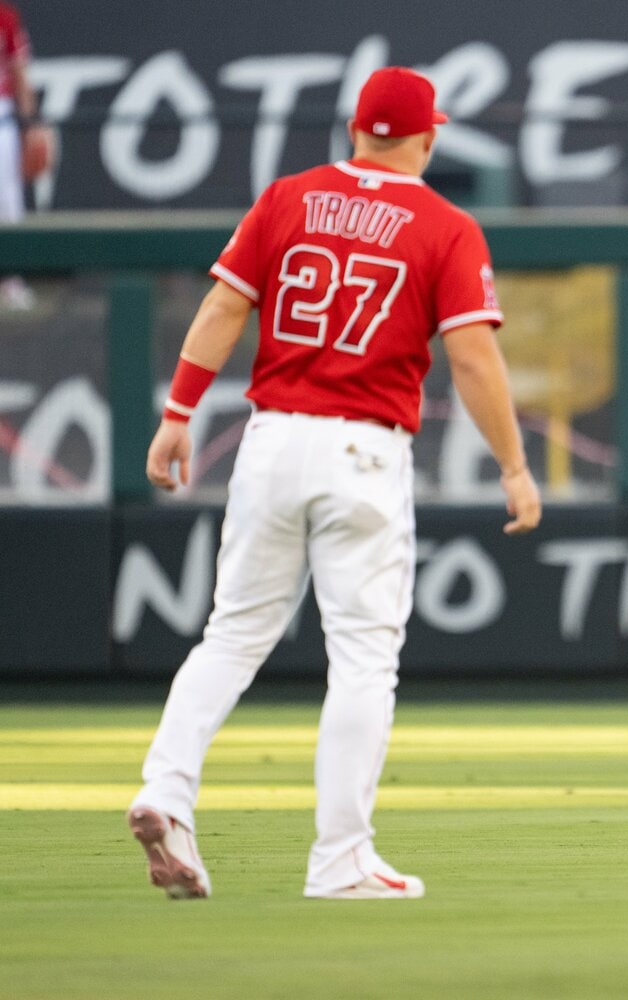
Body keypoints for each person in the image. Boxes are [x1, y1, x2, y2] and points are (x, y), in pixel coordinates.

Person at [126, 66, 542, 900]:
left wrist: (177, 412)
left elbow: (220, 308)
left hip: (271, 440)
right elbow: (470, 355)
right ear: (426, 137)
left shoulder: (287, 197)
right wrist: (514, 465)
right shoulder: (445, 224)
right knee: (362, 660)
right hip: (363, 449)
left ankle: (166, 788)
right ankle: (340, 856)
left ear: (358, 130)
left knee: (232, 636)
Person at [0, 1, 42, 309]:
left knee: (7, 200)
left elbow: (19, 70)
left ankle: (12, 280)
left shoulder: (5, 16)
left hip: (1, 118)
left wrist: (31, 124)